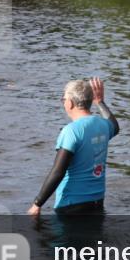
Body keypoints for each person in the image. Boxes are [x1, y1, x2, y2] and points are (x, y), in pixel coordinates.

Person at [28, 78, 119, 216]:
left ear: (70, 103)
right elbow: (115, 126)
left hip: (71, 205)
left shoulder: (71, 131)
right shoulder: (103, 125)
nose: (63, 102)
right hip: (97, 202)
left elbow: (58, 171)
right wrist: (100, 102)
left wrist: (37, 203)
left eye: (63, 99)